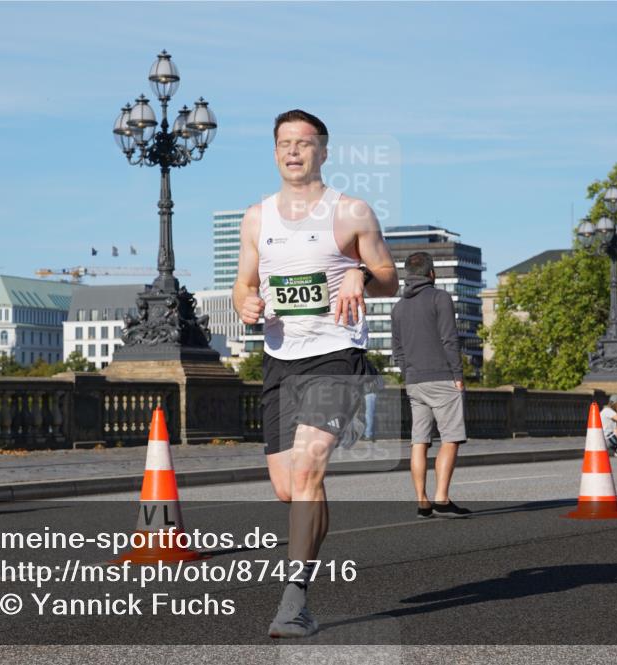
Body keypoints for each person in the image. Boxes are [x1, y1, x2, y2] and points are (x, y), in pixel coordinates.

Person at [231, 109, 398, 637]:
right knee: (289, 486)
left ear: (323, 151)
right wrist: (246, 304)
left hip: (336, 354)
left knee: (306, 470)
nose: (294, 151)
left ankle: (294, 599)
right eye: (285, 143)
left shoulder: (350, 212)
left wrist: (358, 275)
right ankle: (305, 579)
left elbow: (390, 278)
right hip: (281, 358)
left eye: (304, 143)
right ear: (275, 151)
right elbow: (242, 284)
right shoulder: (257, 217)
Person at [391, 251, 472, 519]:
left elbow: (398, 349)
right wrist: (457, 375)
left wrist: (408, 372)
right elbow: (450, 339)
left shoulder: (398, 307)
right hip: (442, 377)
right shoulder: (440, 298)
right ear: (432, 273)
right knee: (450, 438)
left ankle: (422, 501)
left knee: (419, 441)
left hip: (415, 381)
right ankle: (442, 498)